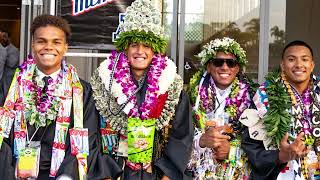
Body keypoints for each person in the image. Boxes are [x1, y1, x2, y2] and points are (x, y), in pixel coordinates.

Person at [0, 14, 121, 179]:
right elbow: (2, 137)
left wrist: (66, 175)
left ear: (65, 47)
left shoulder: (82, 92)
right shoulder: (10, 86)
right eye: (41, 41)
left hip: (62, 173)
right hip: (14, 172)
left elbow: (85, 140)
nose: (48, 47)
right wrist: (8, 173)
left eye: (56, 42)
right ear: (32, 44)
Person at [90, 0, 193, 179]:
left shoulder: (171, 86)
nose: (140, 51)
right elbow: (92, 132)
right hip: (115, 172)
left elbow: (182, 135)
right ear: (125, 47)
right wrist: (105, 174)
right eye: (134, 45)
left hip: (155, 173)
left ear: (155, 50)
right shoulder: (104, 84)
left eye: (146, 46)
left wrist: (167, 175)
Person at [241, 40, 320, 179]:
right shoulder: (265, 96)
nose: (299, 65)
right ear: (282, 65)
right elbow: (251, 146)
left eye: (304, 59)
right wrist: (280, 156)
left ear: (312, 65)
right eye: (291, 59)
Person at [186, 37, 256, 179]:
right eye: (218, 62)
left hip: (237, 173)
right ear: (209, 66)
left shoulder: (253, 98)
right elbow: (179, 136)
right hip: (199, 172)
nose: (224, 67)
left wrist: (231, 151)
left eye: (231, 63)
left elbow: (258, 146)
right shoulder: (192, 95)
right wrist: (201, 141)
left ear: (237, 68)